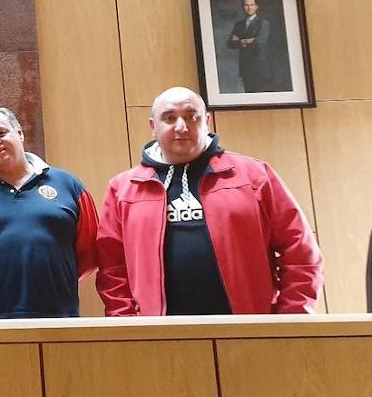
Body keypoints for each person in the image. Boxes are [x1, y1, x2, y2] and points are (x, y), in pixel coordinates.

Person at [96, 86, 322, 316]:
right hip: (159, 339)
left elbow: (300, 252)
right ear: (153, 127)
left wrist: (291, 320)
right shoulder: (123, 189)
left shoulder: (255, 176)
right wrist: (128, 326)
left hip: (249, 331)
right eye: (170, 118)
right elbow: (112, 270)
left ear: (207, 121)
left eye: (191, 116)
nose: (181, 126)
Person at [0, 105, 96, 318]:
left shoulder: (69, 185)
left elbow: (90, 251)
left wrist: (56, 277)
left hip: (60, 319)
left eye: (0, 132)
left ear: (19, 133)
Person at [226, 0, 272, 92]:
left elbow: (260, 42)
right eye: (246, 5)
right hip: (245, 67)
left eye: (251, 5)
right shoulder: (239, 25)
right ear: (243, 7)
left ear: (256, 7)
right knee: (248, 94)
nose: (249, 8)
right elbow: (230, 43)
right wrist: (245, 41)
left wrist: (240, 40)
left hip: (259, 67)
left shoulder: (263, 23)